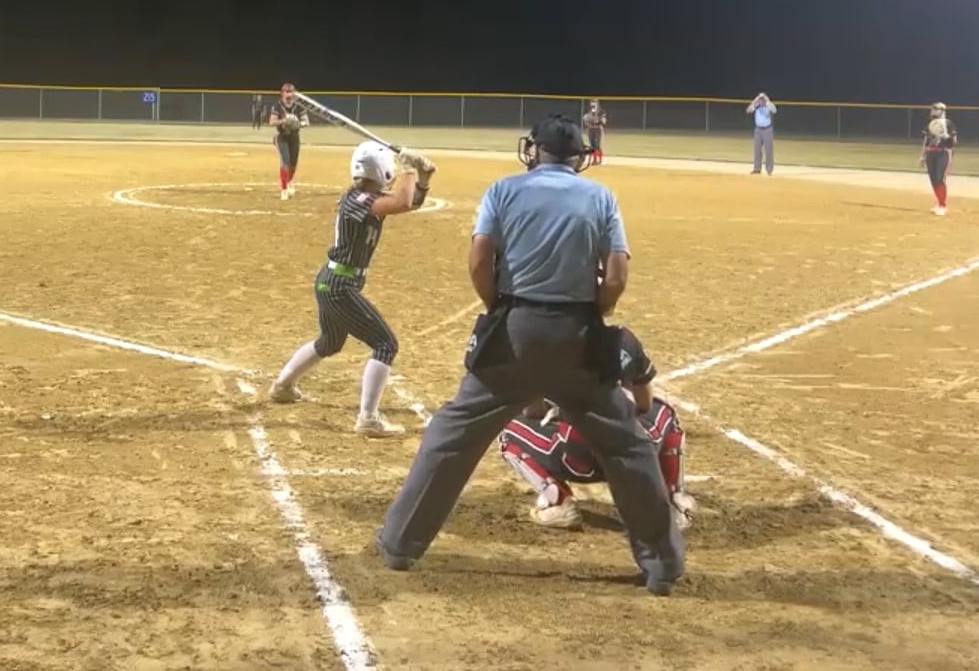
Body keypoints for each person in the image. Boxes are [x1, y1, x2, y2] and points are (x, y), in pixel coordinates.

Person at [375, 115, 684, 595]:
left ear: (535, 150)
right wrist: (592, 312)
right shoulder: (601, 197)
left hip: (515, 332)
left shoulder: (503, 190)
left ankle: (400, 544)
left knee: (452, 434)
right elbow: (616, 277)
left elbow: (480, 261)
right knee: (628, 445)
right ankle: (662, 565)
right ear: (578, 157)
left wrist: (498, 308)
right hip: (579, 336)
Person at [267, 142, 436, 436]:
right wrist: (409, 168)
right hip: (339, 287)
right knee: (385, 345)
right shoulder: (357, 200)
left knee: (330, 342)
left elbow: (409, 202)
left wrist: (423, 178)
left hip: (334, 282)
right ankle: (367, 419)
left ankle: (282, 386)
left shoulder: (367, 198)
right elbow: (401, 202)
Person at [497, 323, 695, 533]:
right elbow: (644, 404)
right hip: (636, 457)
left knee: (509, 429)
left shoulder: (544, 347)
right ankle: (672, 504)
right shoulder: (624, 339)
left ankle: (557, 501)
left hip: (580, 461)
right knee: (664, 412)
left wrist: (555, 407)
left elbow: (532, 411)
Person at [268, 83, 310, 200]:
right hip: (282, 136)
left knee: (293, 163)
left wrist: (297, 123)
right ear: (282, 93)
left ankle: (290, 181)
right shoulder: (278, 105)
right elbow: (272, 122)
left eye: (291, 92)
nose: (289, 94)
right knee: (285, 161)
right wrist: (284, 121)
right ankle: (284, 189)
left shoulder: (299, 106)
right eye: (286, 92)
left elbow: (306, 122)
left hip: (294, 136)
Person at [919, 102, 957, 216]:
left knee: (939, 179)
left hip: (943, 153)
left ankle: (942, 205)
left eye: (936, 108)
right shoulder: (930, 124)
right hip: (931, 153)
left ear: (942, 111)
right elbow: (926, 142)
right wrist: (922, 156)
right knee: (933, 180)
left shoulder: (948, 123)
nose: (933, 110)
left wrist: (946, 137)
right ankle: (939, 203)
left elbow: (953, 142)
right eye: (933, 108)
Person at [747, 92, 776, 175]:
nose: (761, 101)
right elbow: (748, 110)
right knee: (757, 150)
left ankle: (769, 170)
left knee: (768, 150)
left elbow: (774, 110)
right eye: (760, 99)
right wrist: (755, 100)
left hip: (767, 130)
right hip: (758, 130)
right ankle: (757, 168)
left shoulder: (768, 106)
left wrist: (767, 99)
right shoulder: (756, 106)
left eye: (762, 99)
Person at [582, 100, 608, 165]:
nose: (593, 105)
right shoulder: (589, 112)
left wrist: (599, 121)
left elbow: (603, 121)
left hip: (598, 129)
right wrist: (588, 123)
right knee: (592, 145)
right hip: (590, 129)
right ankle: (594, 160)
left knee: (597, 145)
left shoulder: (601, 112)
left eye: (594, 103)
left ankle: (600, 160)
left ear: (597, 104)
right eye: (592, 103)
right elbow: (585, 120)